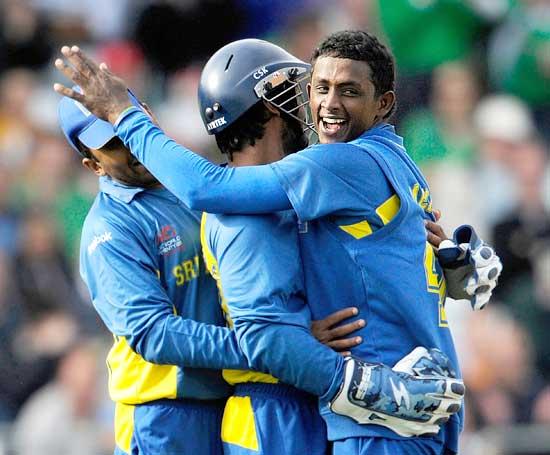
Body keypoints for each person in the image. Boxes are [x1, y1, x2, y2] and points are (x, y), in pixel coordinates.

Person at [53, 31, 502, 454]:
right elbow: (217, 335)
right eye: (303, 90)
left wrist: (414, 249)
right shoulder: (226, 208)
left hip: (289, 399)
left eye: (344, 89)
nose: (316, 103)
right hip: (229, 411)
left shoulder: (277, 191)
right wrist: (306, 351)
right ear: (267, 107)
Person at [57, 92, 369, 454]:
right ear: (92, 165)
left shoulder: (202, 182)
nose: (129, 143)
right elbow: (155, 335)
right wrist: (278, 344)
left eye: (127, 125)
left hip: (234, 399)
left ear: (147, 116)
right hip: (163, 414)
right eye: (111, 143)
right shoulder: (109, 228)